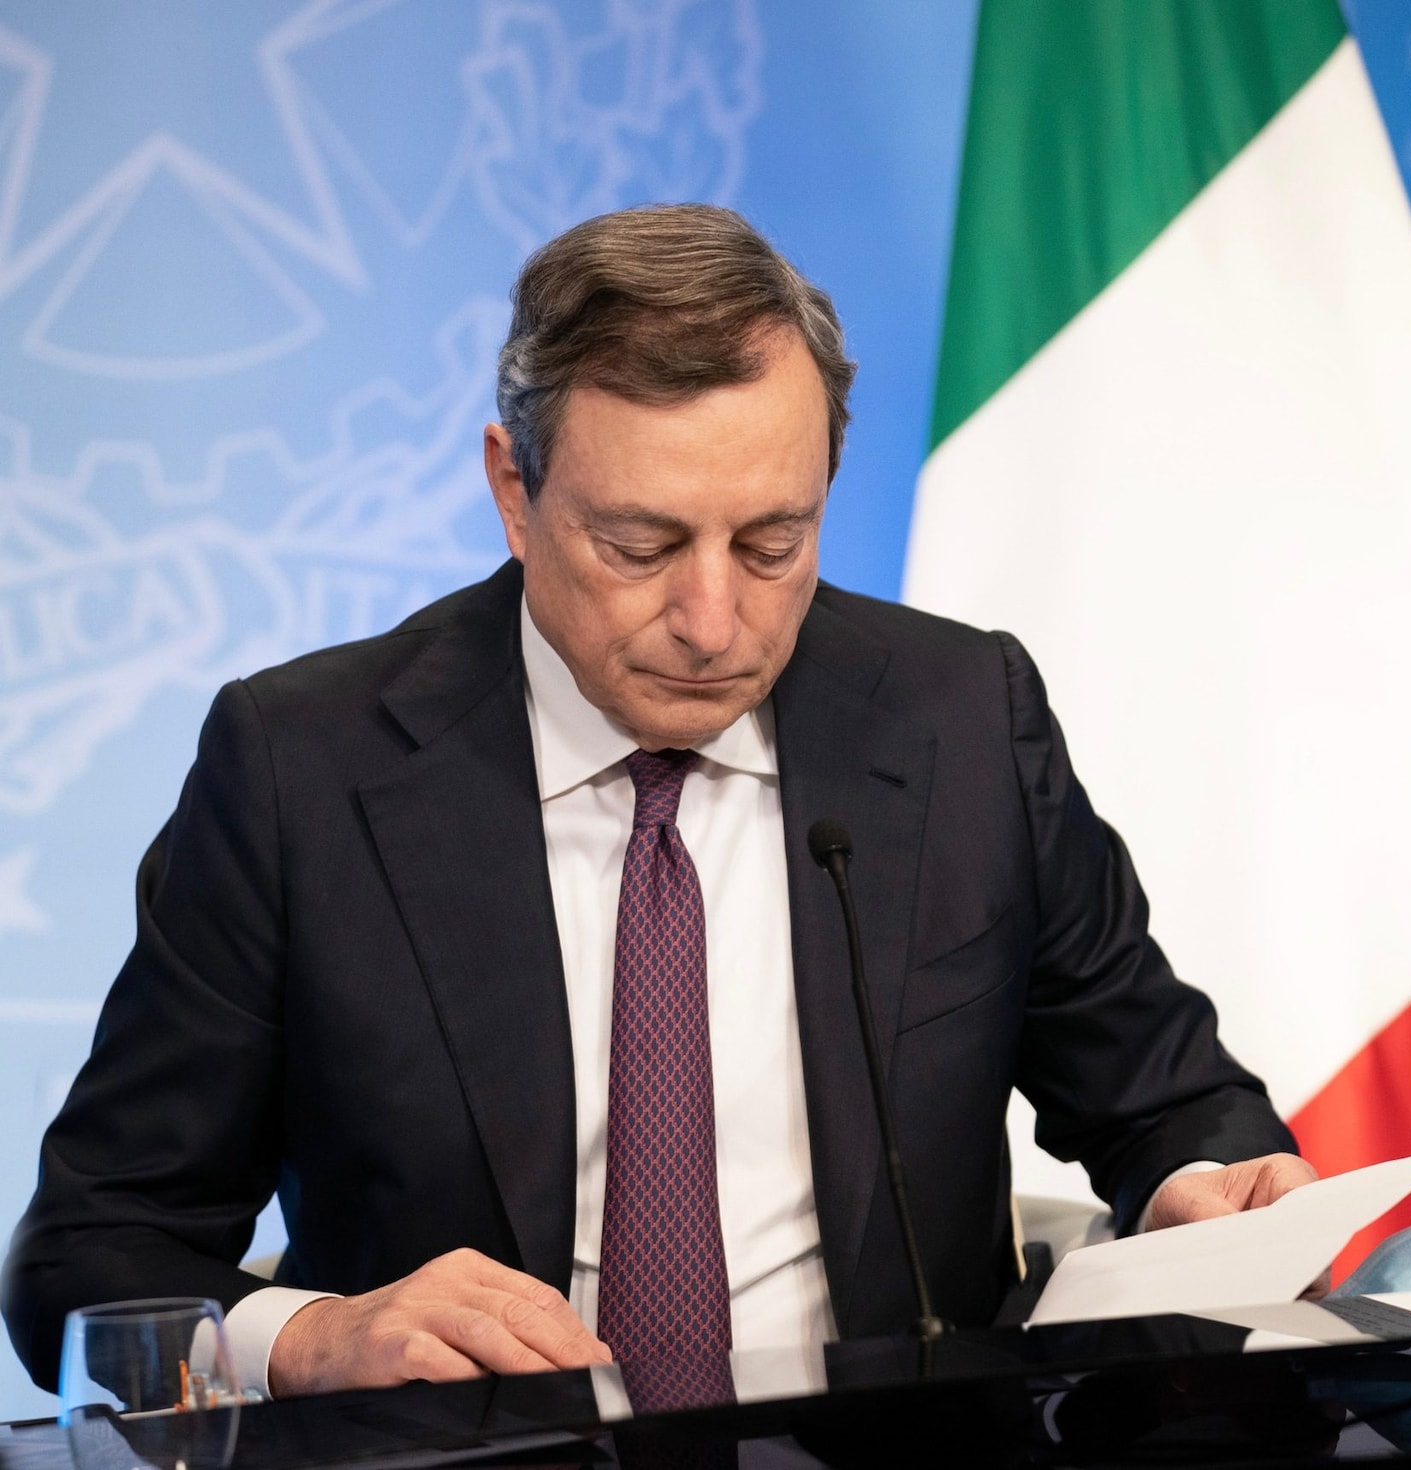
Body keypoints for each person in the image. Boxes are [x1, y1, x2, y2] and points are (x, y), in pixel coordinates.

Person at [2, 205, 1311, 1399]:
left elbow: (1166, 1102)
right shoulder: (303, 768)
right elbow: (88, 1246)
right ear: (514, 492)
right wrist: (317, 1338)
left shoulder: (963, 719)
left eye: (772, 543)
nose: (712, 620)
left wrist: (1202, 1187)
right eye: (640, 546)